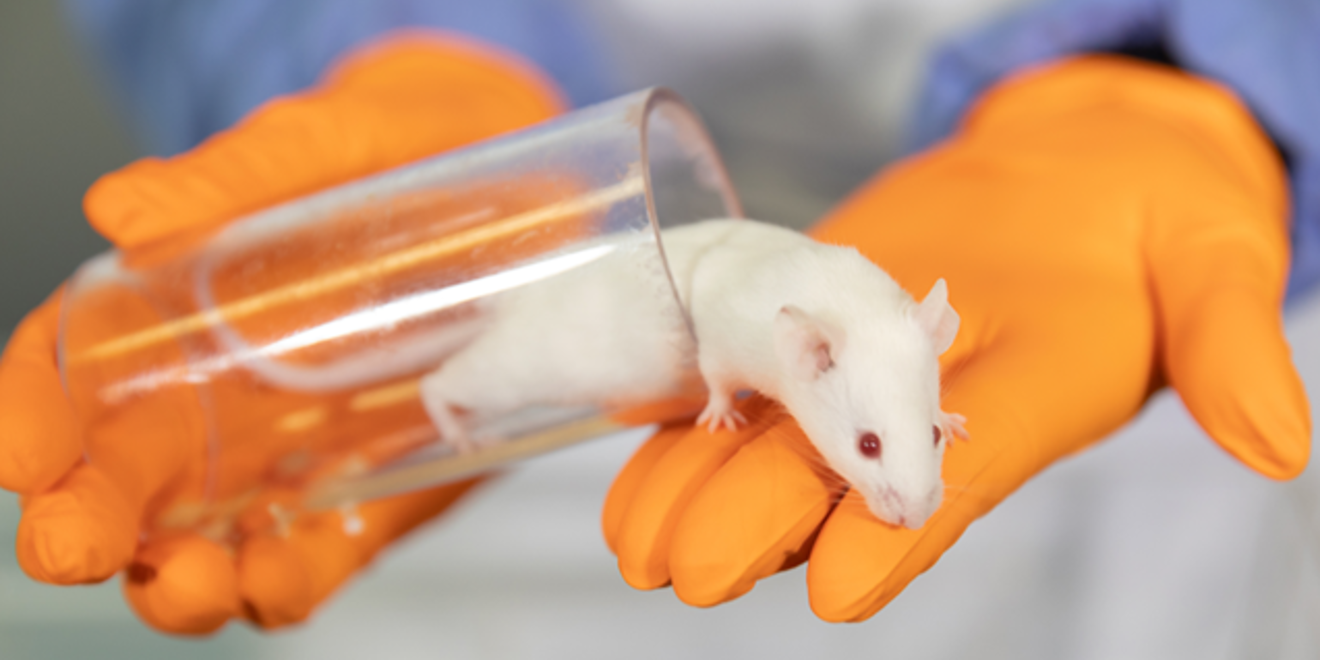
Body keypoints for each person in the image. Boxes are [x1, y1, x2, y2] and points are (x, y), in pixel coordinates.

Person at [0, 0, 1314, 648]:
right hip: (568, 381)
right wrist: (402, 37)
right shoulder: (794, 345)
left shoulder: (868, 355)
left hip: (1142, 347)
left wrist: (1218, 77)